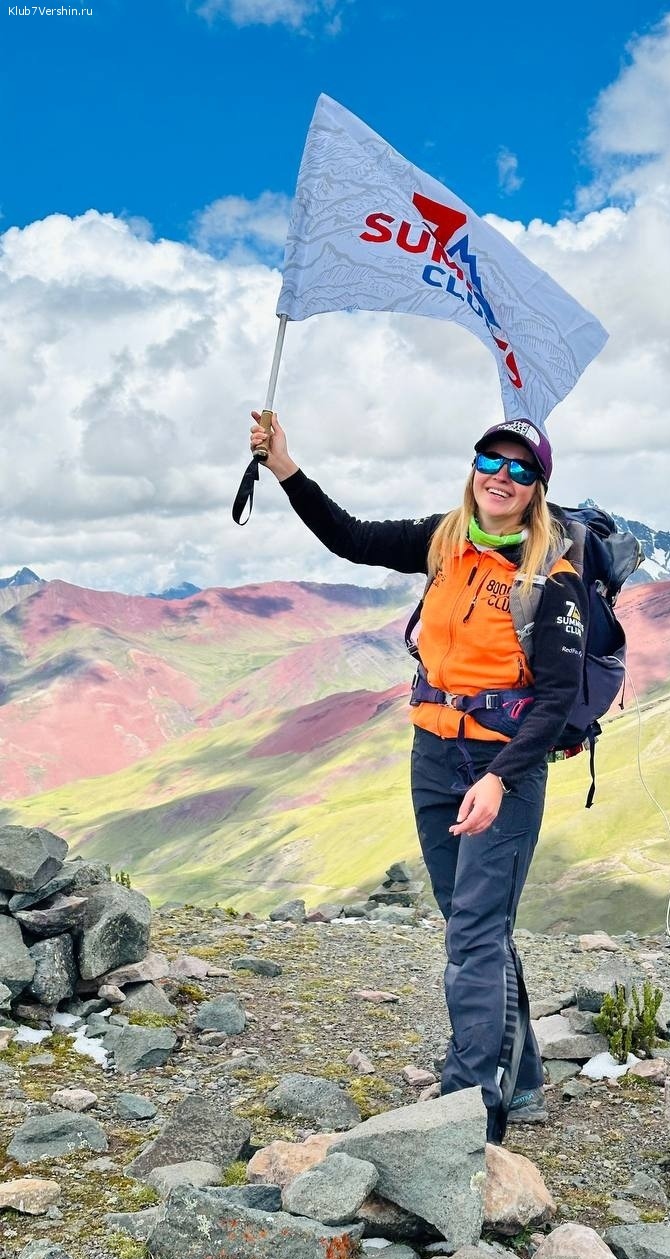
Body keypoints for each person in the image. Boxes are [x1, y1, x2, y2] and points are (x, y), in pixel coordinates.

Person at [249, 410, 589, 1142]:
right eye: (491, 461)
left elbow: (557, 698)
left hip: (502, 770)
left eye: (520, 469)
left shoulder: (552, 580)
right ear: (474, 468)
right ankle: (523, 1077)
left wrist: (501, 778)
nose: (502, 477)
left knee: (475, 933)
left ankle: (469, 1108)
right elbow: (348, 536)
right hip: (434, 756)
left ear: (538, 487)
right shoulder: (443, 541)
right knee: (471, 922)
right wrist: (284, 467)